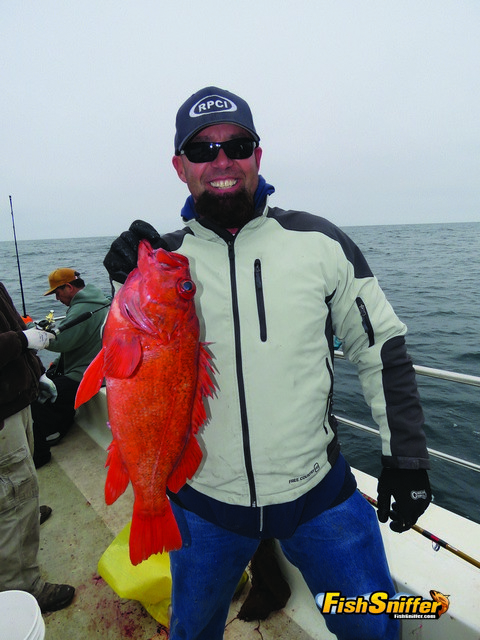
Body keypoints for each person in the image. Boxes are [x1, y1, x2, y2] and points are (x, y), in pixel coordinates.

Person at [103, 87, 431, 640]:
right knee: (193, 629)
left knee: (374, 630)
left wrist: (407, 458)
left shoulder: (321, 242)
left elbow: (382, 349)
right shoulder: (165, 261)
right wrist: (122, 279)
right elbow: (131, 366)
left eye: (238, 144)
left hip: (320, 494)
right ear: (180, 167)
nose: (221, 160)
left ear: (258, 154)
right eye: (202, 150)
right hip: (205, 502)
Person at [0, 282, 75, 612]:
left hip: (17, 397)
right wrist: (23, 340)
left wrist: (36, 372)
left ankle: (25, 515)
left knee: (21, 489)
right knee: (13, 495)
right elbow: (14, 339)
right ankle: (22, 590)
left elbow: (12, 329)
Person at [32, 268, 110, 468]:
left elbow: (63, 341)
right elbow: (80, 342)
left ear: (68, 287)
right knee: (50, 379)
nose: (57, 299)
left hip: (86, 375)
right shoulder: (98, 299)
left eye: (57, 293)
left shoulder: (81, 307)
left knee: (39, 396)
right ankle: (61, 422)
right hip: (94, 369)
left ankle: (52, 434)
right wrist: (57, 364)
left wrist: (37, 337)